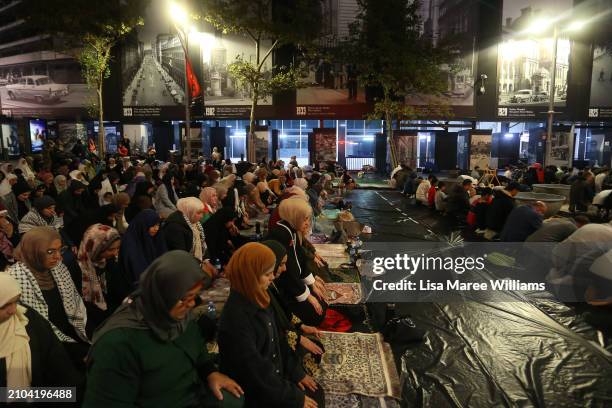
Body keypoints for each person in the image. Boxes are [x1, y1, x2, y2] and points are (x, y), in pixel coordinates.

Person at [84, 251, 244, 408]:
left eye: (194, 297)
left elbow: (196, 348)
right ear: (164, 294)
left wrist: (210, 372)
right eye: (183, 299)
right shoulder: (118, 345)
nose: (191, 304)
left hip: (193, 394)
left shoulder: (175, 316)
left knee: (236, 398)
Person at [218, 243, 322, 408]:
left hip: (273, 379)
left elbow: (279, 340)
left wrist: (295, 373)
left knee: (316, 394)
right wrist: (291, 397)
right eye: (267, 274)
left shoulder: (259, 297)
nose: (273, 277)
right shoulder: (235, 321)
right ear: (250, 276)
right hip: (257, 394)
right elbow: (255, 374)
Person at [6, 227, 89, 366]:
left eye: (60, 250)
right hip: (44, 346)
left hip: (71, 331)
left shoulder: (58, 268)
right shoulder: (14, 279)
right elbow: (32, 329)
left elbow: (74, 304)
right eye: (50, 252)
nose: (58, 257)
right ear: (33, 251)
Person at [0, 273, 82, 391]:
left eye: (16, 301)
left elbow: (58, 363)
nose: (13, 310)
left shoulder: (27, 318)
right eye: (4, 306)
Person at [268, 198, 328, 327]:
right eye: (305, 219)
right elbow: (287, 272)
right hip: (283, 287)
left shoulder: (291, 230)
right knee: (316, 314)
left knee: (321, 301)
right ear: (294, 217)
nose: (307, 223)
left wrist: (311, 283)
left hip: (292, 284)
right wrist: (306, 295)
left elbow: (299, 257)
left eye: (308, 219)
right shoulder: (282, 234)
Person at [77, 224, 123, 330]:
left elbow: (119, 290)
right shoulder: (78, 270)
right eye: (111, 249)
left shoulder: (109, 263)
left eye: (117, 248)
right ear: (95, 248)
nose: (116, 253)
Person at [162, 197, 217, 280]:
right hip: (180, 266)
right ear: (189, 212)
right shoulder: (174, 227)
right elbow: (181, 254)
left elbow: (202, 243)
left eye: (202, 213)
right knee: (206, 280)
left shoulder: (195, 224)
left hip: (194, 262)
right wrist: (201, 265)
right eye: (199, 213)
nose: (202, 216)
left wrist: (206, 261)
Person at [119, 209, 166, 287]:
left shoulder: (155, 237)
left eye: (158, 225)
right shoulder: (130, 243)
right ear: (144, 225)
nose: (156, 229)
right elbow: (136, 271)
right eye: (153, 225)